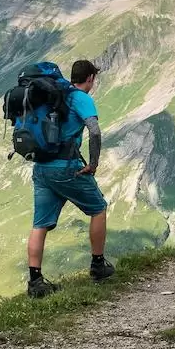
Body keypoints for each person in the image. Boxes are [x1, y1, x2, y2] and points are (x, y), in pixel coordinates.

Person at [26, 59, 115, 298]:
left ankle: (35, 282)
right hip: (66, 168)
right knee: (98, 208)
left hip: (41, 168)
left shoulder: (53, 96)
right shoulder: (81, 98)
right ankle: (98, 265)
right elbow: (94, 130)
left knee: (40, 223)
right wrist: (94, 163)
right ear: (90, 79)